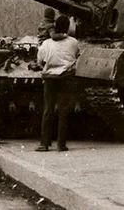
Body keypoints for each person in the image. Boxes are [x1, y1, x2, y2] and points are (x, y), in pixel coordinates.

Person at [35, 15, 80, 152]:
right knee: (63, 110)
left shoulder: (46, 43)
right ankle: (61, 144)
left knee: (48, 110)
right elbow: (77, 55)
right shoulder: (73, 42)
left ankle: (44, 144)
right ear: (67, 27)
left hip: (49, 78)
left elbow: (40, 61)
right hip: (66, 78)